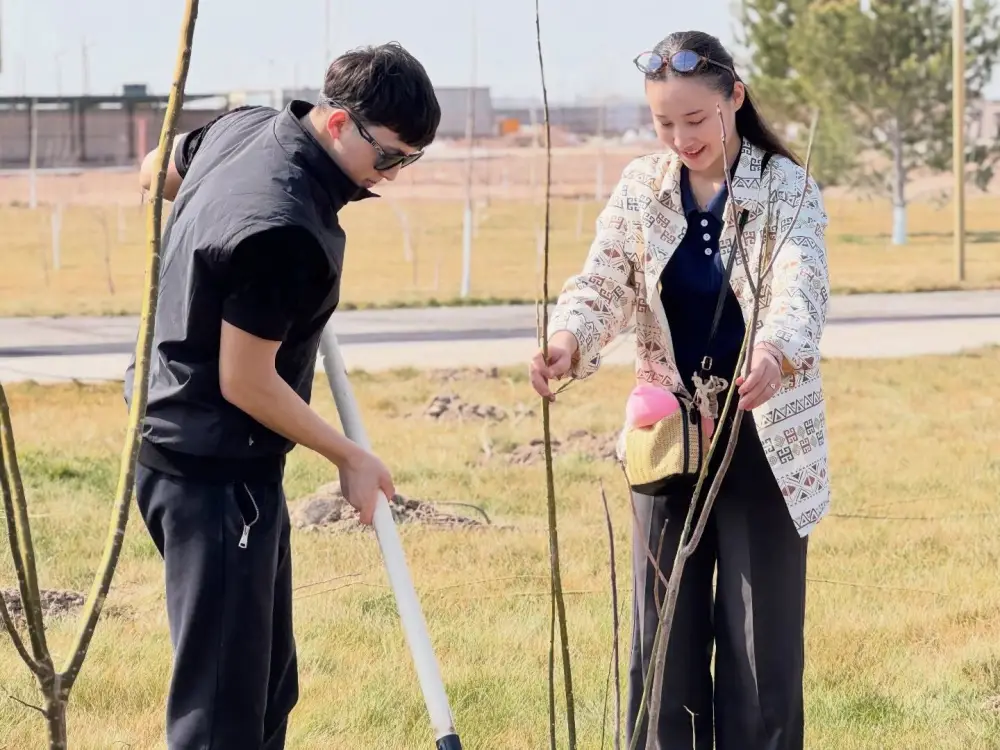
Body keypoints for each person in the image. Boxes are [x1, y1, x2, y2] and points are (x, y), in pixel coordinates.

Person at [123, 42, 440, 749]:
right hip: (210, 471)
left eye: (409, 162)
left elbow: (155, 175)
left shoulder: (244, 127)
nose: (393, 177)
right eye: (388, 158)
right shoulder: (285, 228)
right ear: (335, 124)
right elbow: (245, 379)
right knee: (221, 713)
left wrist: (214, 239)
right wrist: (350, 456)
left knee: (267, 685)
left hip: (184, 448)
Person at [528, 30, 831, 750]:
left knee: (762, 652)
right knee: (661, 639)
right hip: (668, 437)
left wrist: (775, 352)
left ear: (735, 97)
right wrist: (568, 338)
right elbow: (602, 281)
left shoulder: (785, 187)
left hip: (761, 435)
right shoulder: (642, 185)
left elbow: (801, 282)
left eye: (696, 120)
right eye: (665, 123)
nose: (681, 138)